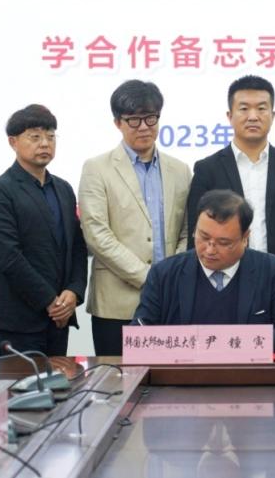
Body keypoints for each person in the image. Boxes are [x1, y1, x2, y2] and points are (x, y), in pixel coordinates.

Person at [187, 75, 275, 320]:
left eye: (261, 108)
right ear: (230, 116)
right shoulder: (207, 169)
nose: (253, 116)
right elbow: (196, 236)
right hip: (222, 283)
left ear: (272, 115)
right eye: (244, 108)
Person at [79, 80, 191, 356]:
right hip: (117, 303)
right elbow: (96, 234)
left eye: (151, 118)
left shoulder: (180, 170)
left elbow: (187, 232)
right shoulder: (97, 168)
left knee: (171, 380)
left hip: (172, 301)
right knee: (116, 377)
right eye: (133, 120)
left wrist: (170, 277)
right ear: (118, 122)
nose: (144, 127)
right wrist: (150, 278)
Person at [134, 190, 275, 355]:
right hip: (181, 372)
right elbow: (139, 335)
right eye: (203, 237)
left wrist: (230, 342)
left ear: (245, 237)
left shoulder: (273, 271)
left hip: (248, 373)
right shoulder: (164, 273)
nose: (210, 250)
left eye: (223, 242)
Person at [0, 105, 88, 356]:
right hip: (20, 320)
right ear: (13, 142)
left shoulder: (63, 188)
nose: (45, 144)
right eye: (35, 137)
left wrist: (74, 291)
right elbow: (9, 257)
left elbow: (77, 247)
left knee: (59, 381)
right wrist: (49, 301)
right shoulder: (0, 190)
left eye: (50, 136)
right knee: (23, 382)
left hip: (60, 318)